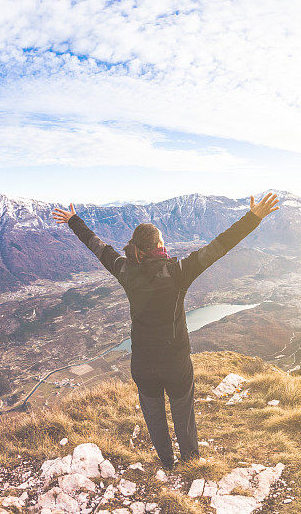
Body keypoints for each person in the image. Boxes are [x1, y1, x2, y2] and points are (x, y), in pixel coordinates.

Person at [52, 193, 280, 469]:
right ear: (159, 245)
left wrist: (74, 221)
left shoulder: (125, 269)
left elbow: (97, 246)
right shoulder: (178, 271)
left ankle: (167, 463)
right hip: (175, 362)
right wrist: (252, 218)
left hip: (143, 362)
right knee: (183, 413)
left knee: (154, 416)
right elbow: (219, 246)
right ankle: (191, 461)